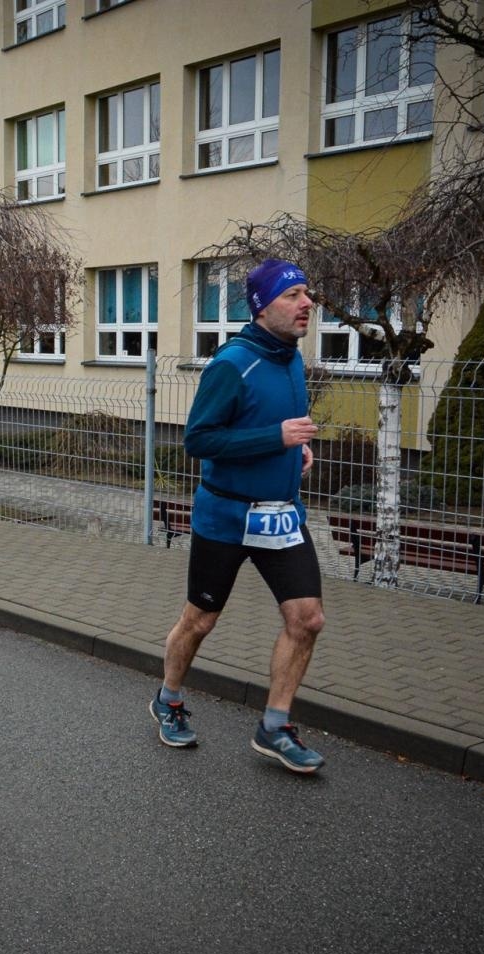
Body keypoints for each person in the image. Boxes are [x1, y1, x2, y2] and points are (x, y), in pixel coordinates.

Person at [150, 259, 326, 773]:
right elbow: (199, 440)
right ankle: (169, 698)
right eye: (293, 295)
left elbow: (280, 425)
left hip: (281, 518)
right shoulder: (232, 363)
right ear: (262, 305)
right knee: (200, 620)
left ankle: (274, 725)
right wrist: (276, 440)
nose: (306, 303)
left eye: (306, 293)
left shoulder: (291, 357)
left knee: (308, 619)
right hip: (226, 518)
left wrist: (295, 453)